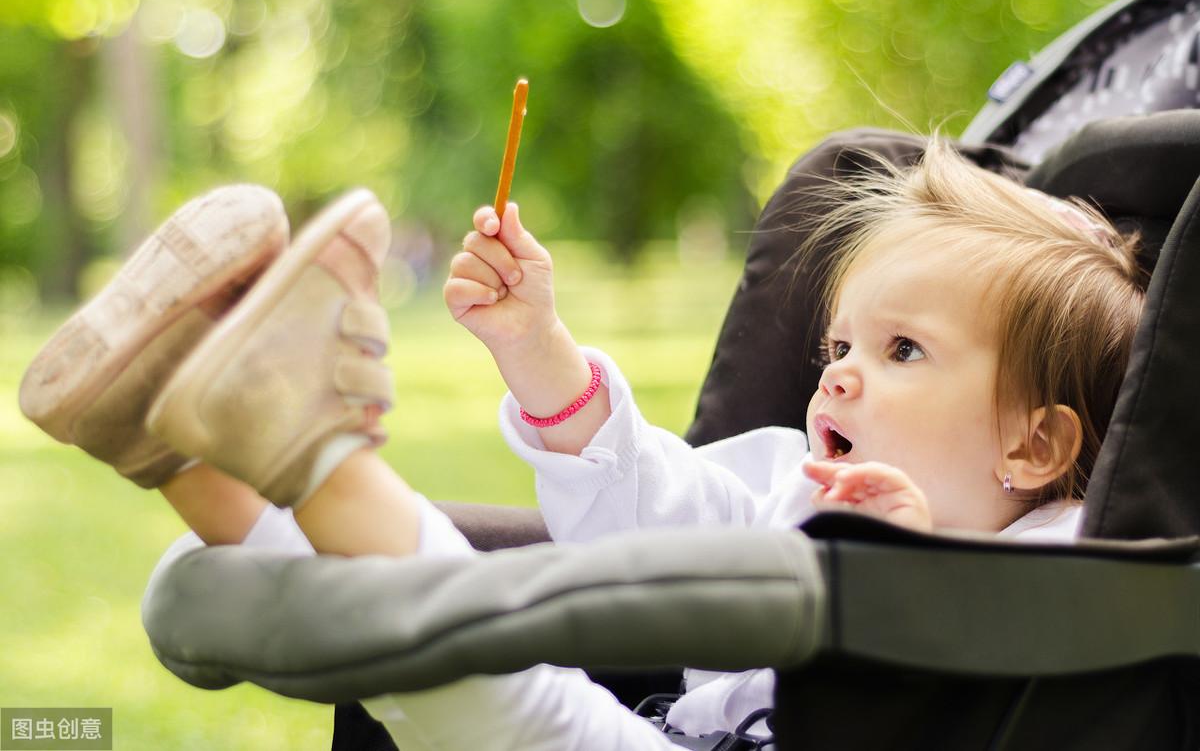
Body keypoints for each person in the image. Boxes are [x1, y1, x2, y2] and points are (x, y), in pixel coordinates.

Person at [19, 138, 1146, 749]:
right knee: (470, 642)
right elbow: (654, 518)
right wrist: (539, 347)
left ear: (1037, 445)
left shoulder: (1066, 560)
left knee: (503, 693)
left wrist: (912, 582)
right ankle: (177, 444)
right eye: (839, 341)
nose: (839, 369)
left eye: (903, 351)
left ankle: (301, 439)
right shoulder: (794, 486)